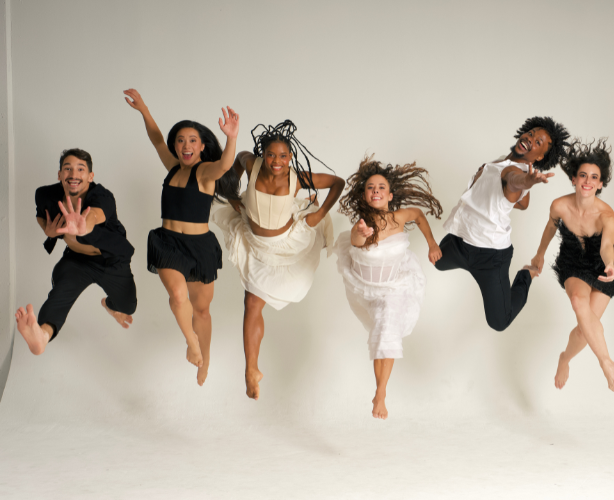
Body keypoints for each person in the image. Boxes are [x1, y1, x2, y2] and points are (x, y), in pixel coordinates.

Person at [212, 120, 345, 400]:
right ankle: (251, 370)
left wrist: (319, 215)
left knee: (253, 301)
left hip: (286, 245)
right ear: (262, 155)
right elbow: (236, 160)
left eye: (283, 156)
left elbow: (337, 182)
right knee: (251, 303)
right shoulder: (251, 164)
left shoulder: (297, 178)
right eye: (271, 155)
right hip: (255, 243)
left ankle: (251, 369)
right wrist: (233, 197)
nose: (277, 161)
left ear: (290, 158)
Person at [124, 88, 240, 386]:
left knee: (201, 309)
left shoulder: (204, 172)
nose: (185, 145)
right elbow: (157, 139)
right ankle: (192, 343)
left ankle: (206, 358)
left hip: (199, 246)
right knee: (177, 296)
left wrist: (231, 137)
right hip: (167, 243)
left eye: (192, 140)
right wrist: (145, 110)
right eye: (181, 140)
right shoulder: (172, 166)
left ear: (202, 146)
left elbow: (225, 165)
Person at [434, 116, 570, 331]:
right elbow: (522, 203)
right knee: (438, 261)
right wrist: (513, 195)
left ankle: (526, 275)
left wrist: (528, 182)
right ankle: (462, 258)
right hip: (461, 240)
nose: (530, 139)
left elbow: (515, 181)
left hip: (490, 257)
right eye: (532, 134)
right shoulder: (502, 161)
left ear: (540, 157)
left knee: (499, 322)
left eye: (537, 143)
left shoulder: (515, 172)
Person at [335, 156, 443, 419]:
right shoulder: (361, 225)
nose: (376, 191)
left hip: (394, 287)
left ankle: (380, 393)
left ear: (390, 195)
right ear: (364, 195)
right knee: (383, 330)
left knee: (387, 331)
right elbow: (356, 241)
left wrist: (432, 243)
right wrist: (361, 232)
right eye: (371, 187)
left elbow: (417, 214)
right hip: (367, 288)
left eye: (381, 187)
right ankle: (380, 392)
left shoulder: (398, 216)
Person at [529, 139, 614, 395]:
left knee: (586, 329)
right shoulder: (559, 206)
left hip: (603, 264)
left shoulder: (607, 216)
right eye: (583, 175)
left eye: (594, 177)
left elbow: (607, 246)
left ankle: (565, 358)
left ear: (600, 184)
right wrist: (539, 255)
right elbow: (550, 228)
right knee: (578, 301)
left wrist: (609, 265)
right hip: (573, 260)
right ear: (574, 179)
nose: (588, 181)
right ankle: (606, 364)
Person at [15, 149, 137, 354]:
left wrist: (84, 227)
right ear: (60, 174)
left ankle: (109, 305)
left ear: (90, 176)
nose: (73, 174)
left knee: (128, 307)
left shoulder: (102, 196)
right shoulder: (45, 195)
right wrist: (47, 229)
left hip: (111, 261)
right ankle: (42, 335)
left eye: (81, 169)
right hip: (76, 261)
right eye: (67, 169)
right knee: (60, 293)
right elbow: (40, 215)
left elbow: (96, 215)